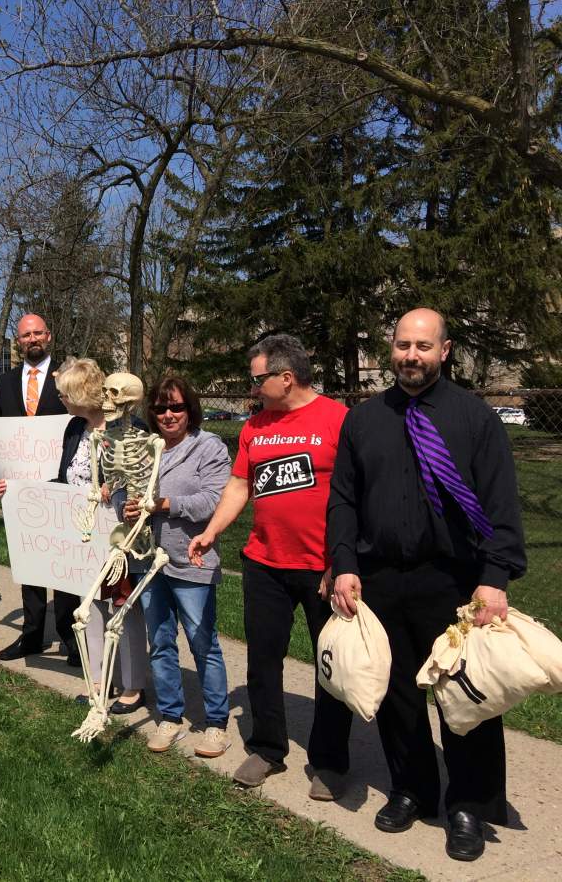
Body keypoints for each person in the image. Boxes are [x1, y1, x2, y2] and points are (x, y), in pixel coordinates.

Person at [327, 309, 526, 862]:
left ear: (444, 350)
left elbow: (501, 505)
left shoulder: (474, 418)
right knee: (399, 697)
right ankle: (412, 787)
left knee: (465, 697)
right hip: (382, 579)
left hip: (454, 582)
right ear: (390, 349)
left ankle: (469, 804)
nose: (411, 356)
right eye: (402, 345)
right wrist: (343, 562)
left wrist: (494, 578)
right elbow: (343, 499)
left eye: (423, 346)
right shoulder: (364, 420)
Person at [188, 334, 354, 798]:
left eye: (258, 378)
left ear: (286, 377)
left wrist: (342, 563)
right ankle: (267, 748)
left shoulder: (339, 420)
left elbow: (356, 496)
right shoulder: (255, 428)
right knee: (263, 662)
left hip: (323, 568)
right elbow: (240, 485)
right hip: (265, 564)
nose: (253, 386)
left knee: (332, 668)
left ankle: (330, 761)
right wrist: (213, 530)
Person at [123, 376, 232, 758]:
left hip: (192, 559)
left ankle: (217, 723)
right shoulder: (147, 450)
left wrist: (164, 504)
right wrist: (132, 507)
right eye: (160, 409)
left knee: (203, 643)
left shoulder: (208, 447)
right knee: (161, 641)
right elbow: (133, 495)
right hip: (149, 561)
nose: (168, 415)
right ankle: (170, 715)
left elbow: (212, 502)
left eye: (176, 407)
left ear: (190, 410)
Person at [0, 313, 80, 665]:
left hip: (62, 485)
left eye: (37, 333)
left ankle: (70, 636)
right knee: (31, 562)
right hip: (21, 489)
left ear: (48, 336)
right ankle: (32, 636)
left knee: (63, 563)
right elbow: (1, 429)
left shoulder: (68, 378)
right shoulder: (5, 382)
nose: (32, 339)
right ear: (18, 342)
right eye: (25, 335)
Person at [43, 358, 149, 713]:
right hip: (84, 534)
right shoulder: (75, 429)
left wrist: (111, 486)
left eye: (64, 393)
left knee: (123, 609)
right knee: (90, 609)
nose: (61, 399)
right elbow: (65, 476)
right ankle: (99, 681)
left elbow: (142, 475)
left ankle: (132, 686)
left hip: (119, 534)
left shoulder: (128, 425)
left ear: (80, 392)